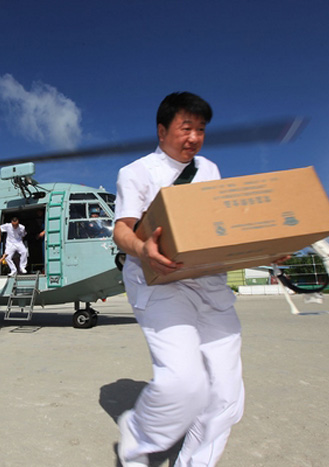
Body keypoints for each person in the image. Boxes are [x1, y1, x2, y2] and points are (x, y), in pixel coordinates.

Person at [112, 92, 244, 466]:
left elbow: (220, 227)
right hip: (159, 283)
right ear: (162, 130)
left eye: (201, 130)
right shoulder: (136, 173)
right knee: (183, 382)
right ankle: (137, 439)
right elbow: (122, 229)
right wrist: (142, 249)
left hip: (209, 282)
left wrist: (263, 251)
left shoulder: (210, 170)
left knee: (226, 394)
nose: (194, 138)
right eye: (186, 128)